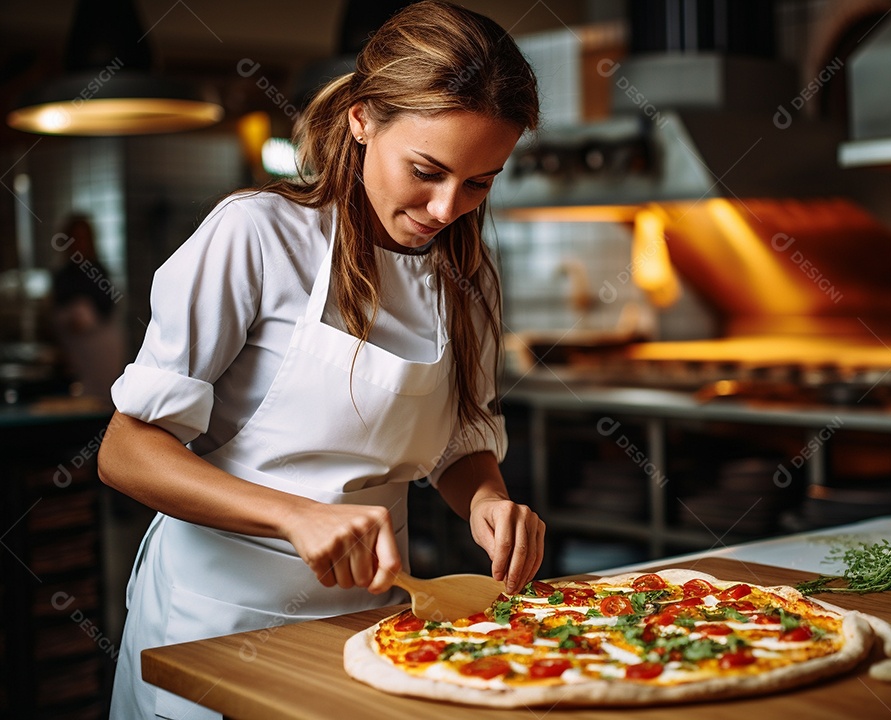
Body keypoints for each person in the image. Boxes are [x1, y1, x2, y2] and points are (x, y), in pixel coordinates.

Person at [99, 3, 545, 717]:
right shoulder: (258, 237)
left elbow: (461, 439)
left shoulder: (469, 278)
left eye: (479, 182)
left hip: (367, 625)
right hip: (216, 622)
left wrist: (486, 499)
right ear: (364, 119)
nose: (445, 208)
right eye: (427, 171)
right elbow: (126, 451)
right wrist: (295, 516)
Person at [50, 213, 124, 401]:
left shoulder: (100, 272)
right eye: (74, 239)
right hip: (74, 355)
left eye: (83, 238)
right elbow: (55, 315)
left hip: (100, 353)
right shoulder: (62, 276)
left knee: (102, 401)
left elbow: (107, 309)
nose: (78, 244)